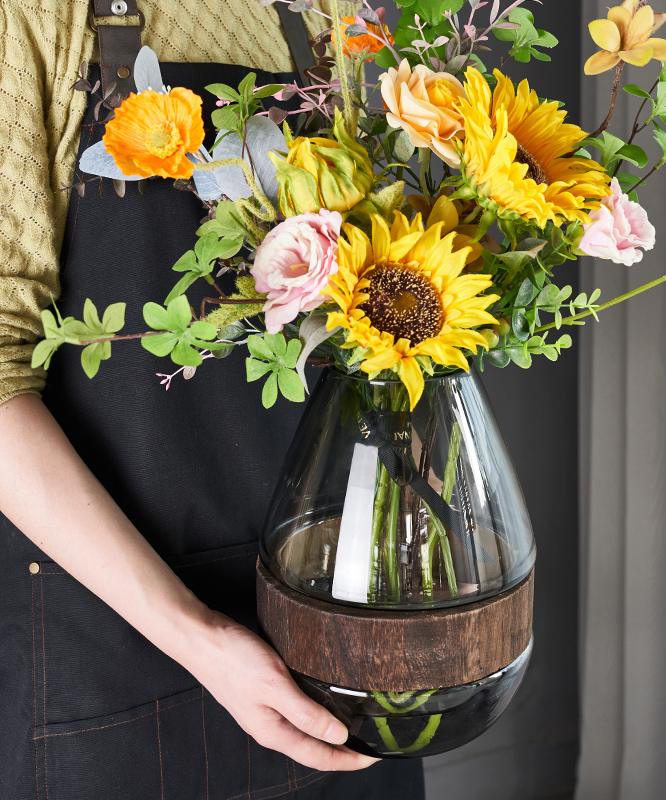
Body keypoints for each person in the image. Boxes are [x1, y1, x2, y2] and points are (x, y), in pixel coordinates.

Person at [0, 1, 425, 797]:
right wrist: (198, 638)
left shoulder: (334, 13)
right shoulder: (36, 15)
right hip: (119, 650)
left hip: (337, 625)